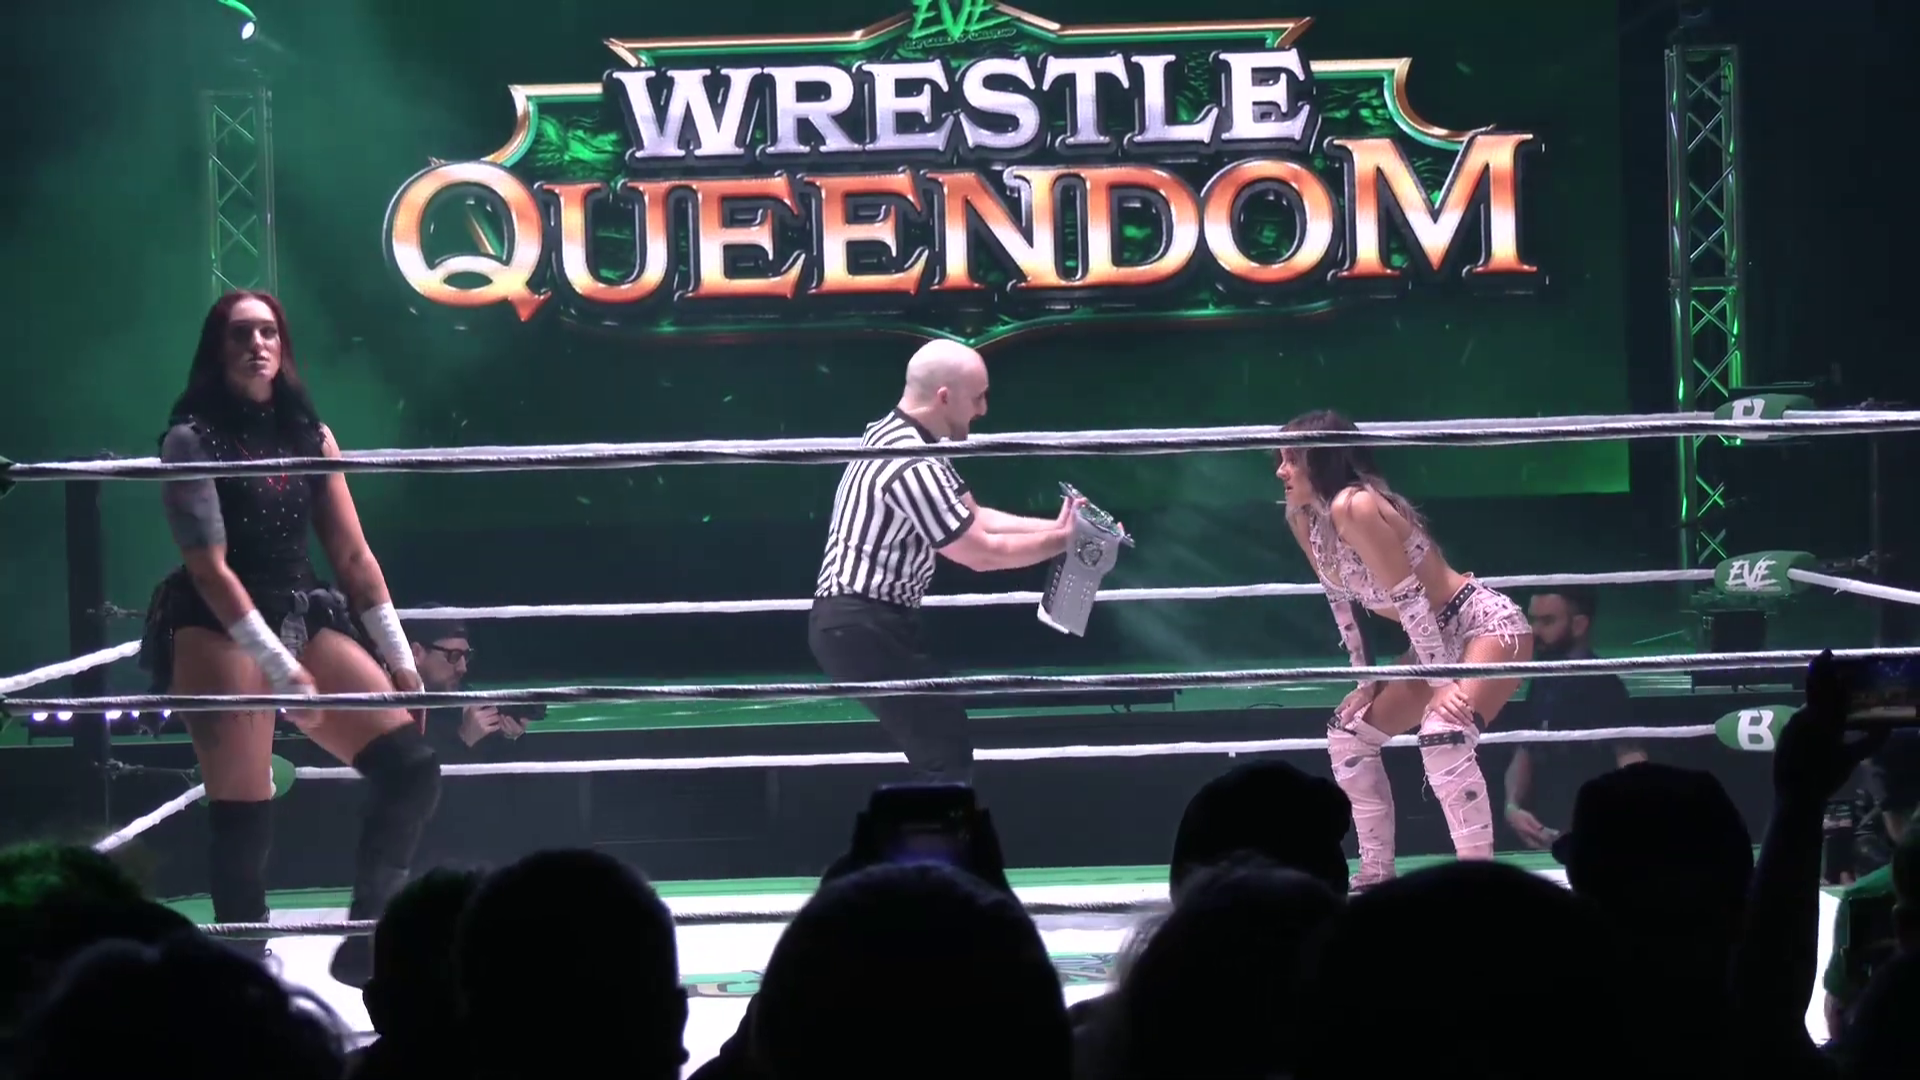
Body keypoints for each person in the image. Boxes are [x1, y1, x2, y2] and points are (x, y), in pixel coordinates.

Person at [136, 290, 442, 986]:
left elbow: (353, 556)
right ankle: (243, 968)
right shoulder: (190, 440)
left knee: (412, 768)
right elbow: (208, 567)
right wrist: (276, 666)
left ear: (284, 347)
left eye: (269, 332)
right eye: (242, 333)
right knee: (244, 808)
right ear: (217, 349)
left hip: (300, 608)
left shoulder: (310, 435)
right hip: (216, 619)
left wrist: (400, 659)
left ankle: (367, 939)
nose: (257, 344)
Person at [1276, 408, 1533, 889]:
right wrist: (1365, 681)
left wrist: (1440, 683)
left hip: (1482, 624)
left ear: (1319, 458)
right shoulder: (1304, 519)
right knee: (1349, 733)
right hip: (1433, 639)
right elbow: (1341, 605)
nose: (1281, 471)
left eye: (1291, 458)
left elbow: (1408, 595)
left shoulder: (1354, 505)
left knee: (1443, 732)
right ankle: (1376, 873)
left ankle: (1479, 882)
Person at [809, 339, 1080, 782]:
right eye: (977, 397)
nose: (983, 410)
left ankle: (934, 823)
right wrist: (1064, 542)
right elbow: (978, 553)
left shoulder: (901, 436)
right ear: (944, 397)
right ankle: (933, 827)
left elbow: (975, 517)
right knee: (943, 750)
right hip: (860, 623)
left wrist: (1056, 527)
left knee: (942, 739)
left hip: (864, 622)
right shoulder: (911, 461)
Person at [1503, 588, 1643, 849]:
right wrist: (1512, 806)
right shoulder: (1542, 682)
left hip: (1598, 838)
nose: (1534, 631)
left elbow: (1631, 757)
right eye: (1532, 620)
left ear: (1579, 625)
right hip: (1550, 835)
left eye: (1547, 621)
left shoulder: (1604, 685)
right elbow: (1526, 748)